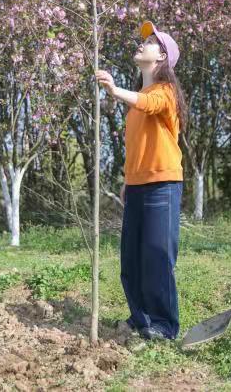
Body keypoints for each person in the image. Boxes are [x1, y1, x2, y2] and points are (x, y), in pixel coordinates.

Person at [95, 21, 186, 341]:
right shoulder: (139, 97)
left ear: (162, 55)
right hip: (136, 185)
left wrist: (114, 90)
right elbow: (136, 144)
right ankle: (141, 318)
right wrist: (127, 178)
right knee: (131, 257)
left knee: (157, 257)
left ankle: (163, 324)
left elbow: (150, 104)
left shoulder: (165, 92)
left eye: (150, 41)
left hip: (163, 184)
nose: (141, 43)